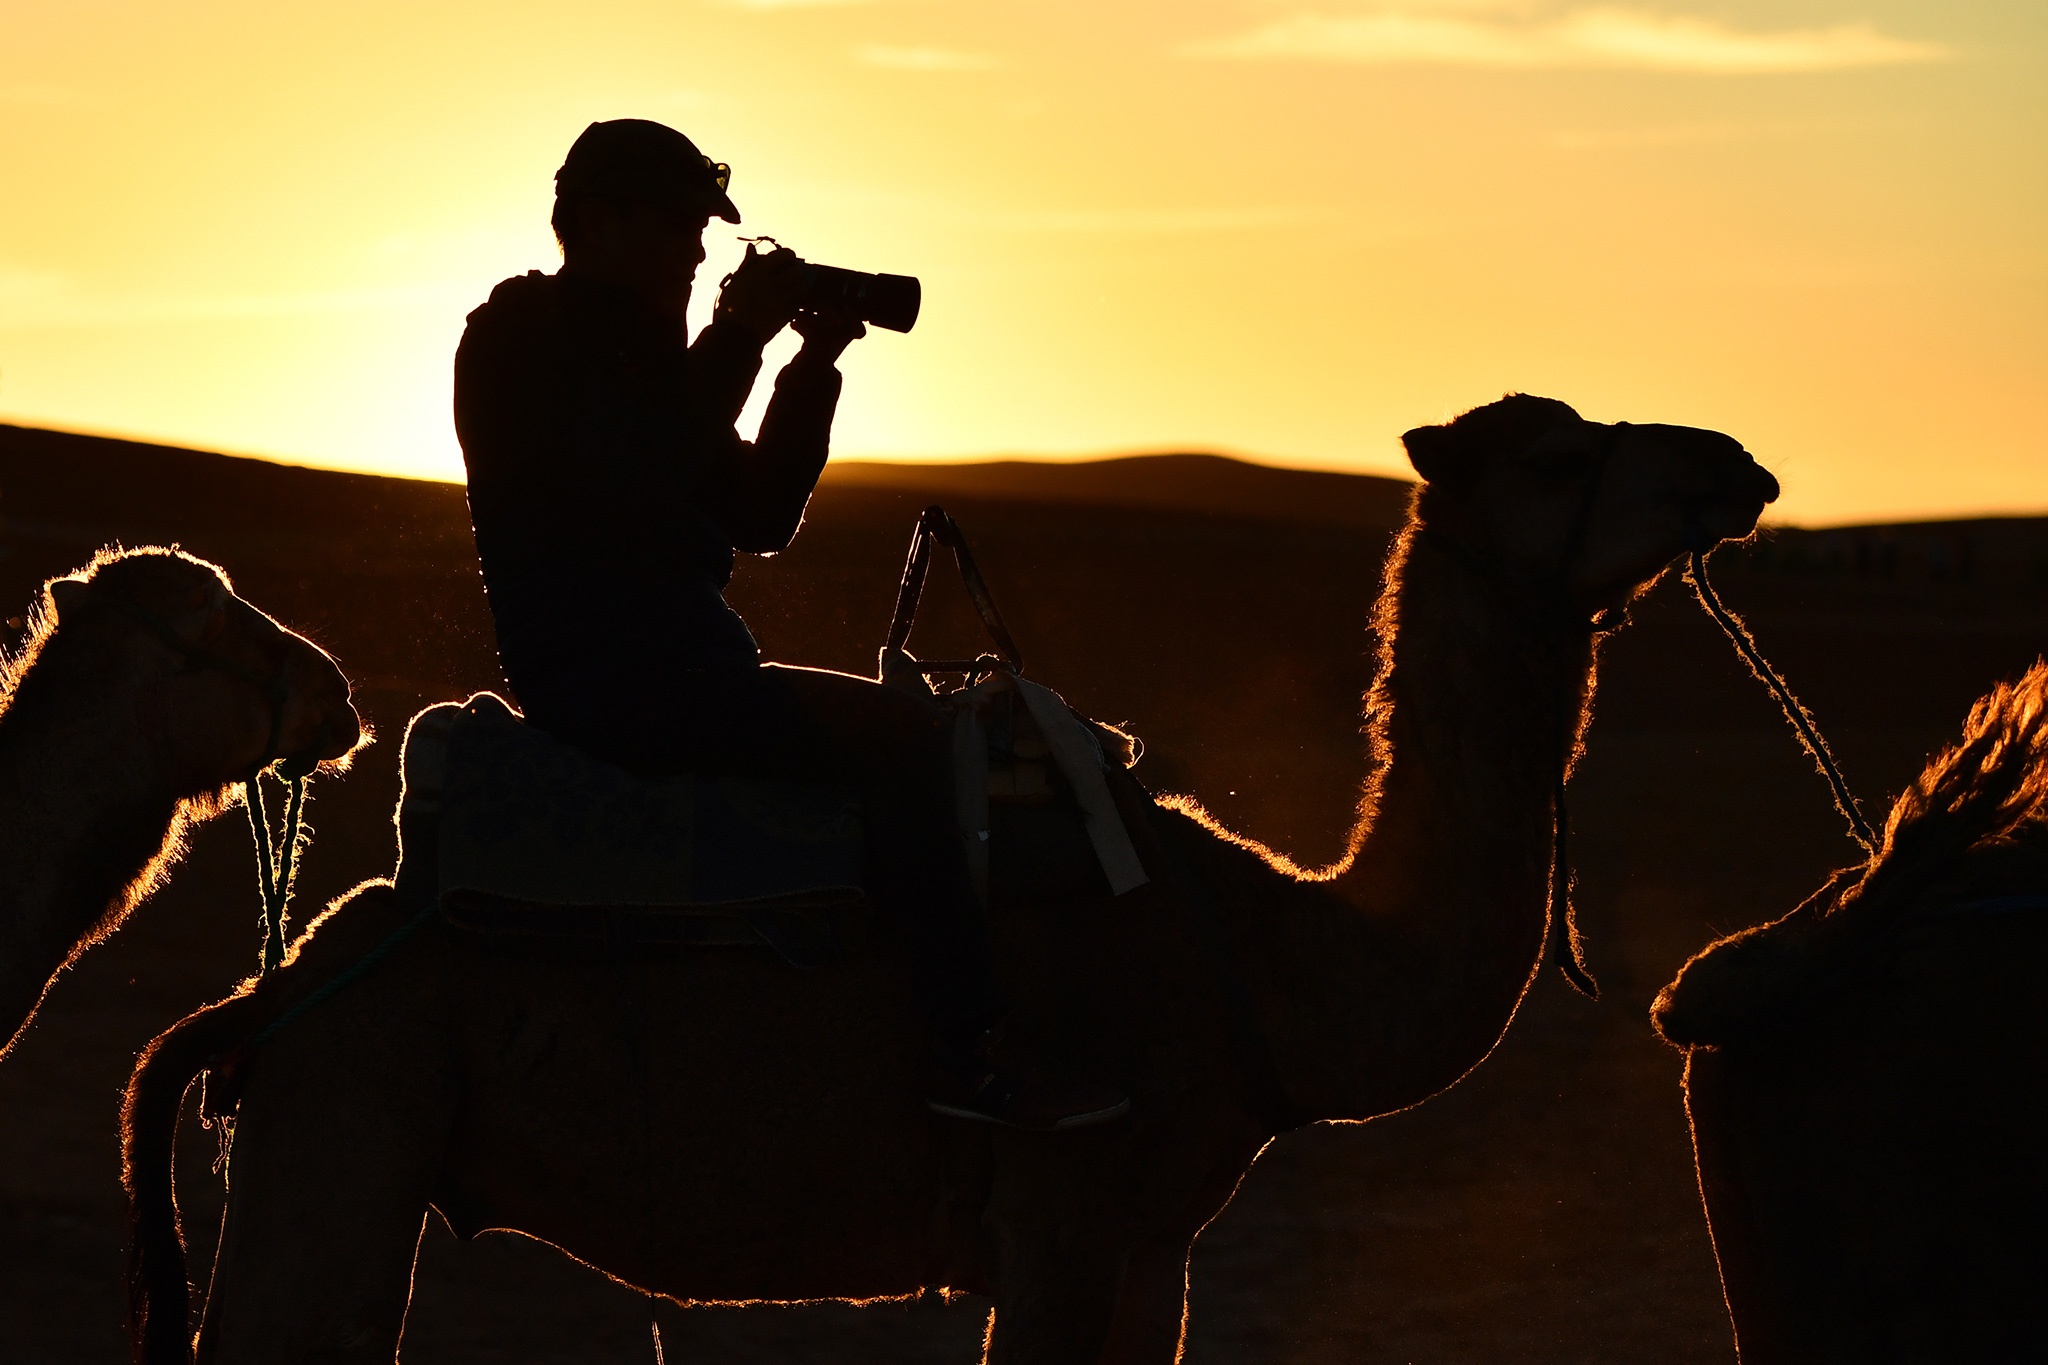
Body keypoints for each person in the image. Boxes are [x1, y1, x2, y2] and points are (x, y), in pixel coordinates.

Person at [453, 118, 1128, 1130]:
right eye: (679, 225)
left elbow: (758, 514)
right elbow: (635, 475)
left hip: (680, 672)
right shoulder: (523, 340)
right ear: (595, 219)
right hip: (618, 681)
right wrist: (735, 337)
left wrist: (806, 365)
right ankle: (963, 1049)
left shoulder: (643, 358)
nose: (694, 251)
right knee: (907, 745)